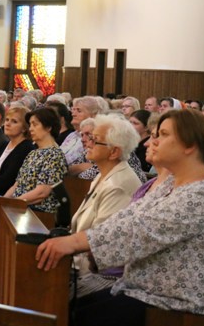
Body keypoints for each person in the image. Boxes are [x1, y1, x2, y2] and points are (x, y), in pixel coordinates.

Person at [36, 109, 204, 326]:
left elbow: (140, 230)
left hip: (176, 308)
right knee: (66, 306)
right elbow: (127, 218)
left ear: (190, 145)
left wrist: (73, 243)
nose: (153, 141)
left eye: (163, 134)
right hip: (143, 293)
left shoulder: (203, 194)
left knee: (72, 315)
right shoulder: (175, 184)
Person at [71, 114, 141, 297]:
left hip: (101, 275)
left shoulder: (118, 184)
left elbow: (98, 243)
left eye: (95, 140)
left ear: (114, 152)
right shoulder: (102, 175)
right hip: (82, 265)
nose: (88, 142)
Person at [5, 107, 68, 214]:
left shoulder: (54, 155)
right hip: (19, 207)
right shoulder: (33, 153)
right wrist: (2, 202)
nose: (30, 129)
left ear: (48, 127)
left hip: (38, 213)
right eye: (30, 125)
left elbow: (41, 193)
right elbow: (16, 186)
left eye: (35, 124)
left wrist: (12, 203)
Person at [0, 106, 35, 200]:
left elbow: (6, 182)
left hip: (7, 198)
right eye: (7, 120)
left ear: (24, 128)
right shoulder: (3, 144)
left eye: (14, 121)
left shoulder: (26, 149)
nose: (7, 124)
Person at [61, 96, 108, 167]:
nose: (73, 114)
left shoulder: (95, 138)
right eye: (73, 110)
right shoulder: (72, 135)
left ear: (93, 115)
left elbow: (93, 166)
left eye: (79, 111)